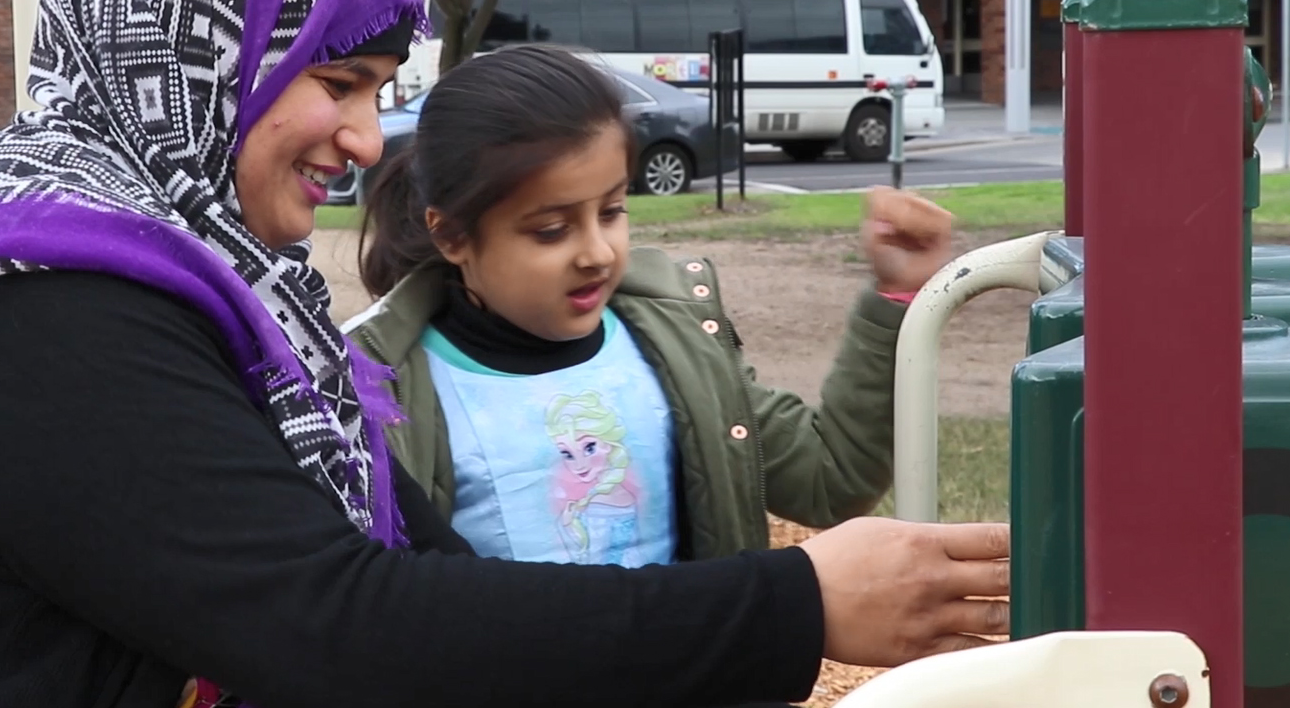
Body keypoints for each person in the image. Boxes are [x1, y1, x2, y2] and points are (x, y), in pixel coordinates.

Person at [0, 0, 1008, 708]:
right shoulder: (39, 318)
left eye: (379, 93)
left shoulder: (201, 287)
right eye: (337, 83)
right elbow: (332, 624)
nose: (360, 138)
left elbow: (423, 565)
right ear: (190, 60)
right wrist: (787, 608)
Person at [349, 44, 954, 570]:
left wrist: (897, 300)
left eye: (612, 211)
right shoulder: (379, 389)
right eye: (552, 230)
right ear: (453, 235)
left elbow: (832, 479)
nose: (595, 252)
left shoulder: (676, 344)